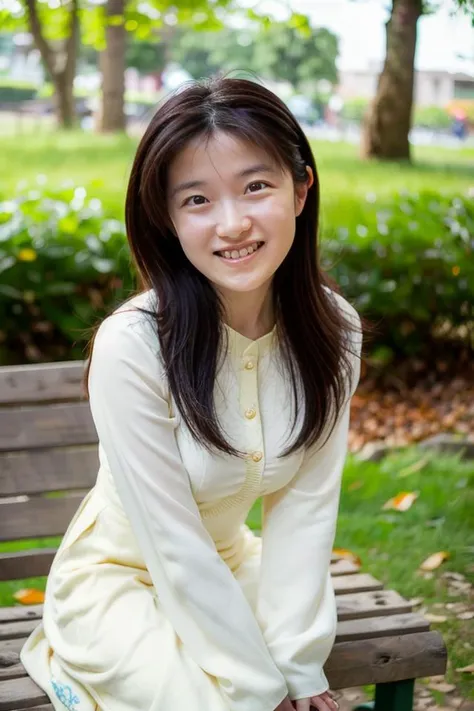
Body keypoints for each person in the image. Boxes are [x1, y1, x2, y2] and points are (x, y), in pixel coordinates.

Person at [21, 76, 363, 711]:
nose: (232, 224)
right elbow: (171, 542)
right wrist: (260, 689)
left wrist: (298, 663)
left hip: (232, 567)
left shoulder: (332, 330)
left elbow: (307, 509)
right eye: (198, 200)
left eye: (256, 187)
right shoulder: (134, 346)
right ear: (168, 218)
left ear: (302, 187)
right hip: (117, 583)